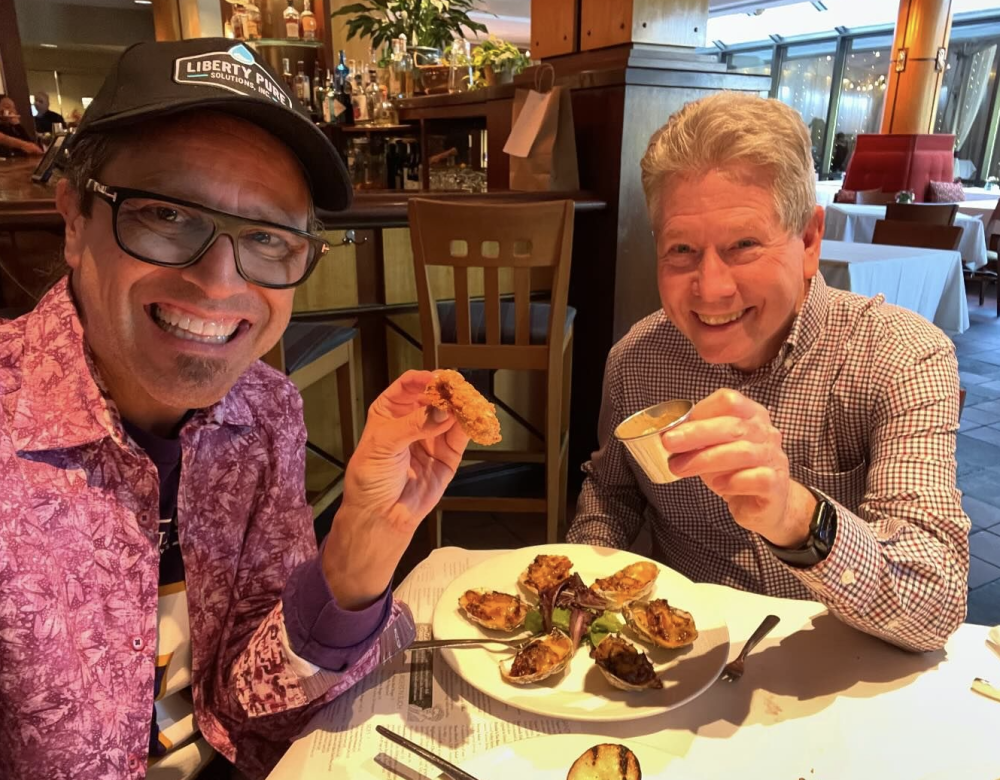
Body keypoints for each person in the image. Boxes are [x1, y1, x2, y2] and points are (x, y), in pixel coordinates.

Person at [0, 39, 471, 779]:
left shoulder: (265, 410)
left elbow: (255, 709)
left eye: (268, 238)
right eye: (164, 214)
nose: (219, 282)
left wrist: (365, 539)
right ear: (73, 218)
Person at [567, 92, 969, 653]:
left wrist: (797, 517)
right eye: (681, 249)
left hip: (838, 669)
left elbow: (937, 603)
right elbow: (610, 493)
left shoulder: (901, 355)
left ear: (808, 240)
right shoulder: (636, 359)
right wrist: (581, 595)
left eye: (744, 246)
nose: (711, 290)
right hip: (684, 661)